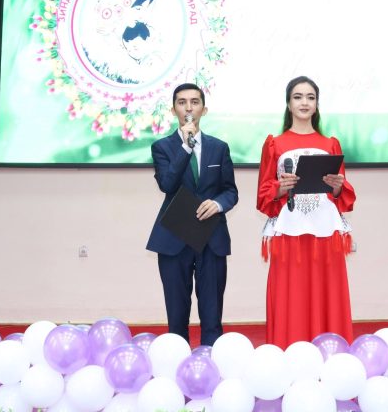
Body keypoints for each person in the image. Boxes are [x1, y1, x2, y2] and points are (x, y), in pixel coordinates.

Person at [256, 76, 357, 348]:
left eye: (310, 97)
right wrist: (280, 188)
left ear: (317, 104)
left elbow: (342, 195)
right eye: (298, 97)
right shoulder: (274, 144)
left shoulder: (331, 144)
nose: (304, 102)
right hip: (289, 233)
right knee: (292, 294)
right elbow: (263, 195)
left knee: (328, 292)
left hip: (326, 233)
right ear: (288, 103)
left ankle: (331, 350)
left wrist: (337, 186)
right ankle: (289, 350)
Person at [147, 83, 239, 346]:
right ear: (173, 109)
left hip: (212, 235)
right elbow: (167, 184)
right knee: (176, 312)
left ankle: (212, 358)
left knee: (212, 310)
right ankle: (177, 357)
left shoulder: (219, 147)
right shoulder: (162, 147)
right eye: (182, 102)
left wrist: (218, 204)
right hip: (174, 236)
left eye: (195, 102)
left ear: (204, 109)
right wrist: (186, 147)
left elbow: (230, 191)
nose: (188, 107)